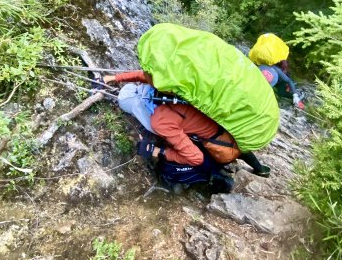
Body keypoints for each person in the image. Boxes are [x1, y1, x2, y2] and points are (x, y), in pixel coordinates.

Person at [104, 71, 270, 191]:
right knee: (227, 143)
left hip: (219, 149)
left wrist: (157, 151)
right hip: (230, 131)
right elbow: (144, 74)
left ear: (135, 110)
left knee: (194, 161)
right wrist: (114, 78)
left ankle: (218, 179)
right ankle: (259, 168)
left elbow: (195, 158)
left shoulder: (159, 121)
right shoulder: (168, 84)